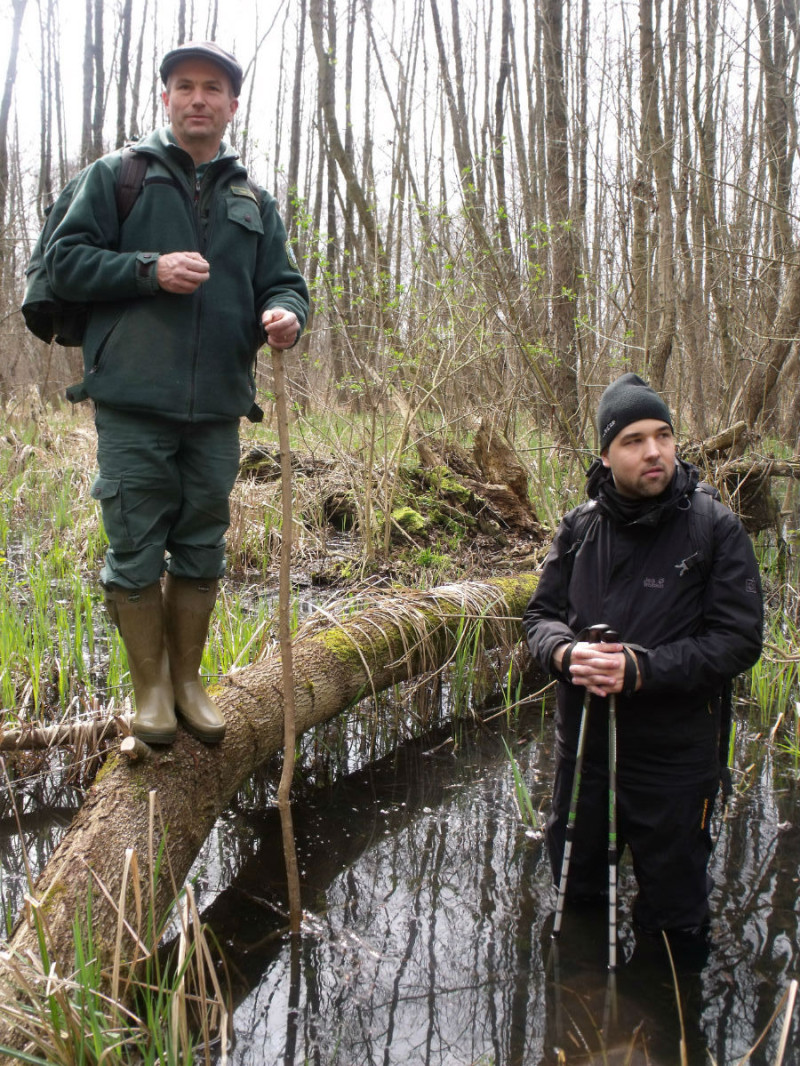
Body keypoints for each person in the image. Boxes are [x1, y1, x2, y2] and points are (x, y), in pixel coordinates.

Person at [44, 41, 310, 747]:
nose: (199, 98)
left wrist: (286, 316)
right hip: (133, 401)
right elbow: (62, 263)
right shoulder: (118, 176)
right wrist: (147, 268)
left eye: (213, 89)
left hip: (220, 407)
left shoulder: (252, 199)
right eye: (185, 86)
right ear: (165, 99)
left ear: (231, 105)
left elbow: (284, 282)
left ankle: (188, 683)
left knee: (202, 545)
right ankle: (150, 692)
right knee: (133, 546)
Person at [523, 373, 763, 942]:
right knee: (574, 903)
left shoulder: (715, 529)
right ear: (606, 456)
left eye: (663, 435)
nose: (654, 451)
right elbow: (539, 618)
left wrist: (641, 669)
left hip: (675, 763)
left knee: (674, 926)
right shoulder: (580, 529)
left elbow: (738, 640)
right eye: (633, 440)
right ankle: (577, 1015)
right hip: (584, 755)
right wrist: (563, 652)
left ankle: (665, 1021)